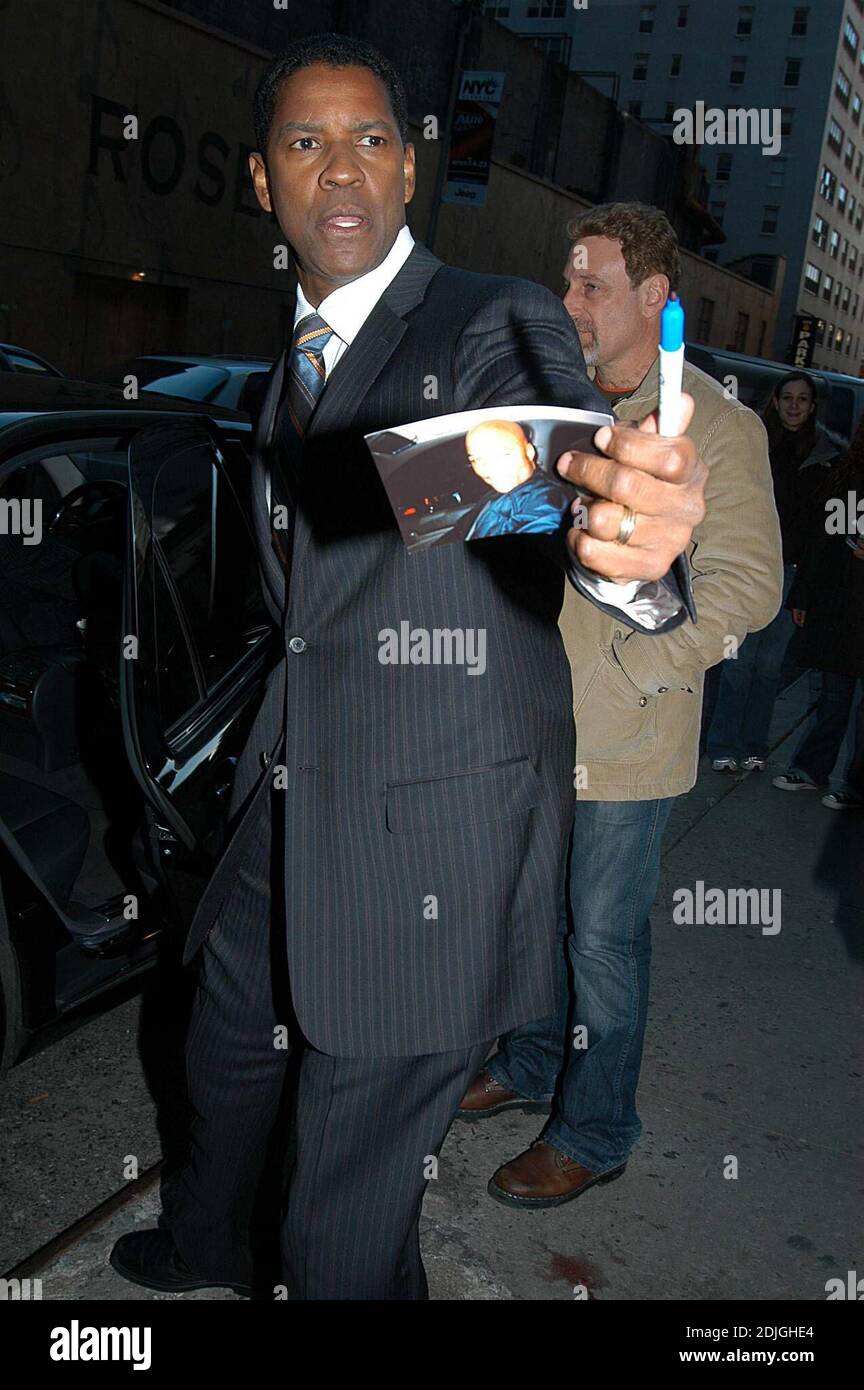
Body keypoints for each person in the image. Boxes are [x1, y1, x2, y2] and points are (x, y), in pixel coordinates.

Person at [109, 42, 707, 1301]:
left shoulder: (492, 317)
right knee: (223, 1058)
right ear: (264, 183)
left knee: (342, 1236)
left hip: (429, 842)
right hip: (283, 806)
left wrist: (618, 535)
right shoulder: (284, 367)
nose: (343, 167)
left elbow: (542, 463)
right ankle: (206, 1240)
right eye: (307, 142)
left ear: (412, 168)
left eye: (372, 139)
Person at [458, 202, 782, 1208]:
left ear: (653, 296)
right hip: (523, 722)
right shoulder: (552, 407)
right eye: (566, 280)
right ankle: (528, 1059)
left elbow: (749, 585)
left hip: (622, 735)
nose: (568, 301)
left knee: (601, 940)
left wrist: (646, 670)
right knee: (531, 918)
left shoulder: (714, 427)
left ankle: (595, 1128)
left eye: (589, 283)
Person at [706, 372, 839, 773]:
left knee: (768, 669)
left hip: (792, 572)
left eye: (803, 399)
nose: (795, 405)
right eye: (788, 398)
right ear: (776, 402)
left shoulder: (826, 458)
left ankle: (754, 747)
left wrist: (807, 591)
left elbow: (821, 531)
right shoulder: (753, 443)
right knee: (737, 664)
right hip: (749, 566)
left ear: (812, 407)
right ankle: (722, 745)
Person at [772, 425, 864, 808]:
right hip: (841, 607)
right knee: (834, 696)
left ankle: (855, 785)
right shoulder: (847, 473)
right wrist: (804, 597)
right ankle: (813, 770)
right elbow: (821, 541)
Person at [464, 419, 573, 539]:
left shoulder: (548, 499)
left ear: (529, 452)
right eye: (477, 459)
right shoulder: (496, 494)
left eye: (504, 454)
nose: (489, 467)